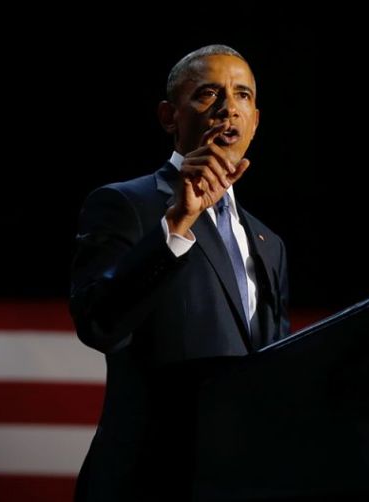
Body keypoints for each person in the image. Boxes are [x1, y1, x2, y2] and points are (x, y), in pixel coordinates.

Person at [69, 44, 290, 501]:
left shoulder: (271, 245)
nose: (230, 107)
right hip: (150, 478)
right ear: (170, 116)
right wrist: (174, 225)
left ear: (256, 119)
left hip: (240, 479)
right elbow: (98, 323)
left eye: (243, 95)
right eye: (209, 94)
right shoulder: (126, 203)